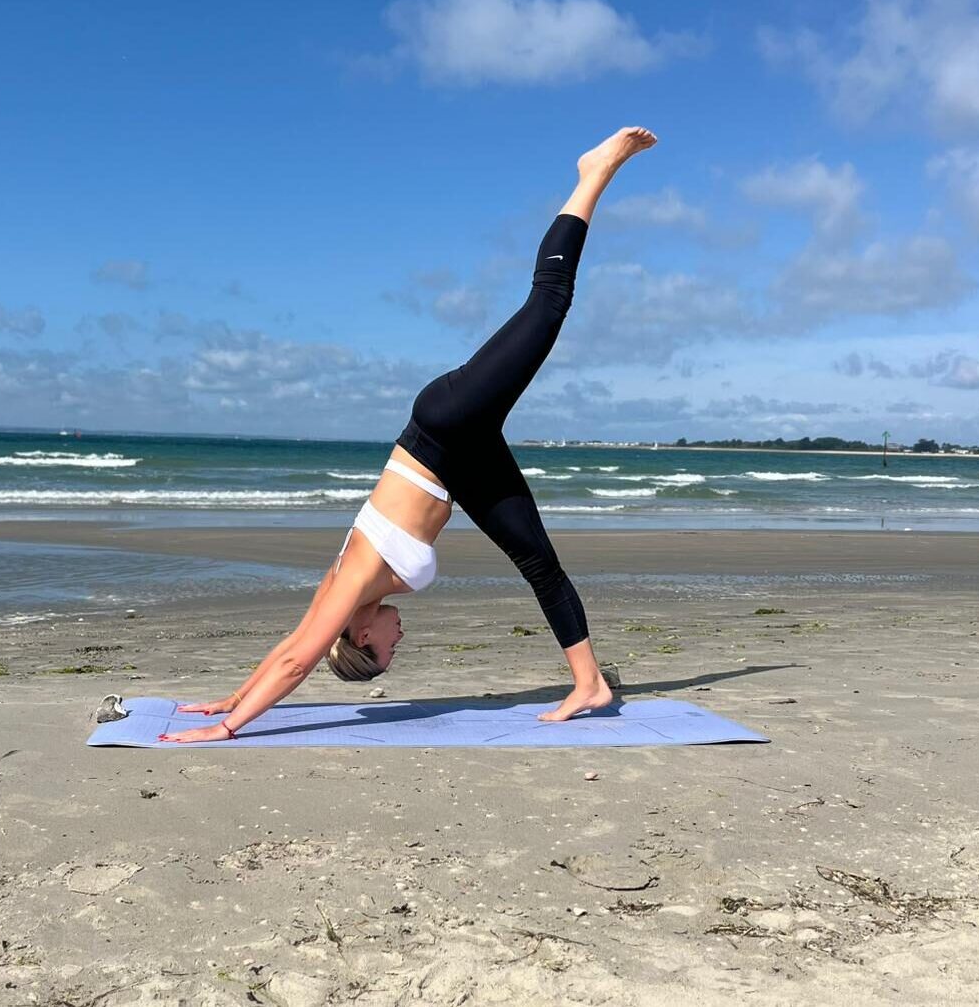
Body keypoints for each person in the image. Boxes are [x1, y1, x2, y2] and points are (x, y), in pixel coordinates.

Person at [159, 126, 658, 744]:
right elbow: (291, 643)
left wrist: (229, 727)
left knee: (548, 303)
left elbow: (299, 659)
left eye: (389, 651)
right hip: (458, 460)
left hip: (446, 425)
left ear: (363, 638)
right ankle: (589, 683)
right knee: (538, 561)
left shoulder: (352, 586)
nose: (401, 641)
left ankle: (593, 174)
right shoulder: (340, 591)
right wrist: (229, 697)